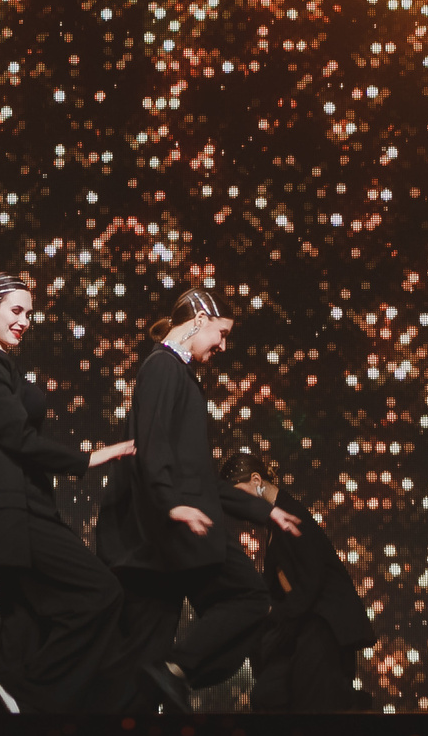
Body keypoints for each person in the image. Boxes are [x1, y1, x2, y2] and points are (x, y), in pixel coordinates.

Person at [0, 269, 155, 713]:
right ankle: (33, 696)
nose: (25, 321)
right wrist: (88, 459)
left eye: (29, 314)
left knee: (23, 622)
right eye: (16, 310)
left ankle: (7, 718)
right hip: (16, 513)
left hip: (17, 510)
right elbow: (16, 437)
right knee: (100, 594)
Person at [98, 287, 293, 706]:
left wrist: (262, 510)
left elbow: (199, 474)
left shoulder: (174, 372)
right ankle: (176, 669)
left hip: (171, 530)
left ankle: (125, 731)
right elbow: (151, 446)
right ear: (199, 321)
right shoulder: (163, 369)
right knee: (248, 595)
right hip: (179, 528)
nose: (223, 345)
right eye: (221, 333)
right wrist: (172, 504)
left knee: (143, 652)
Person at [234, 453, 373, 711]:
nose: (237, 505)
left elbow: (312, 576)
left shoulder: (290, 514)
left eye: (238, 494)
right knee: (268, 695)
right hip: (303, 624)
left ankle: (352, 706)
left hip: (321, 624)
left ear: (256, 480)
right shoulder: (278, 523)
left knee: (312, 702)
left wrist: (276, 612)